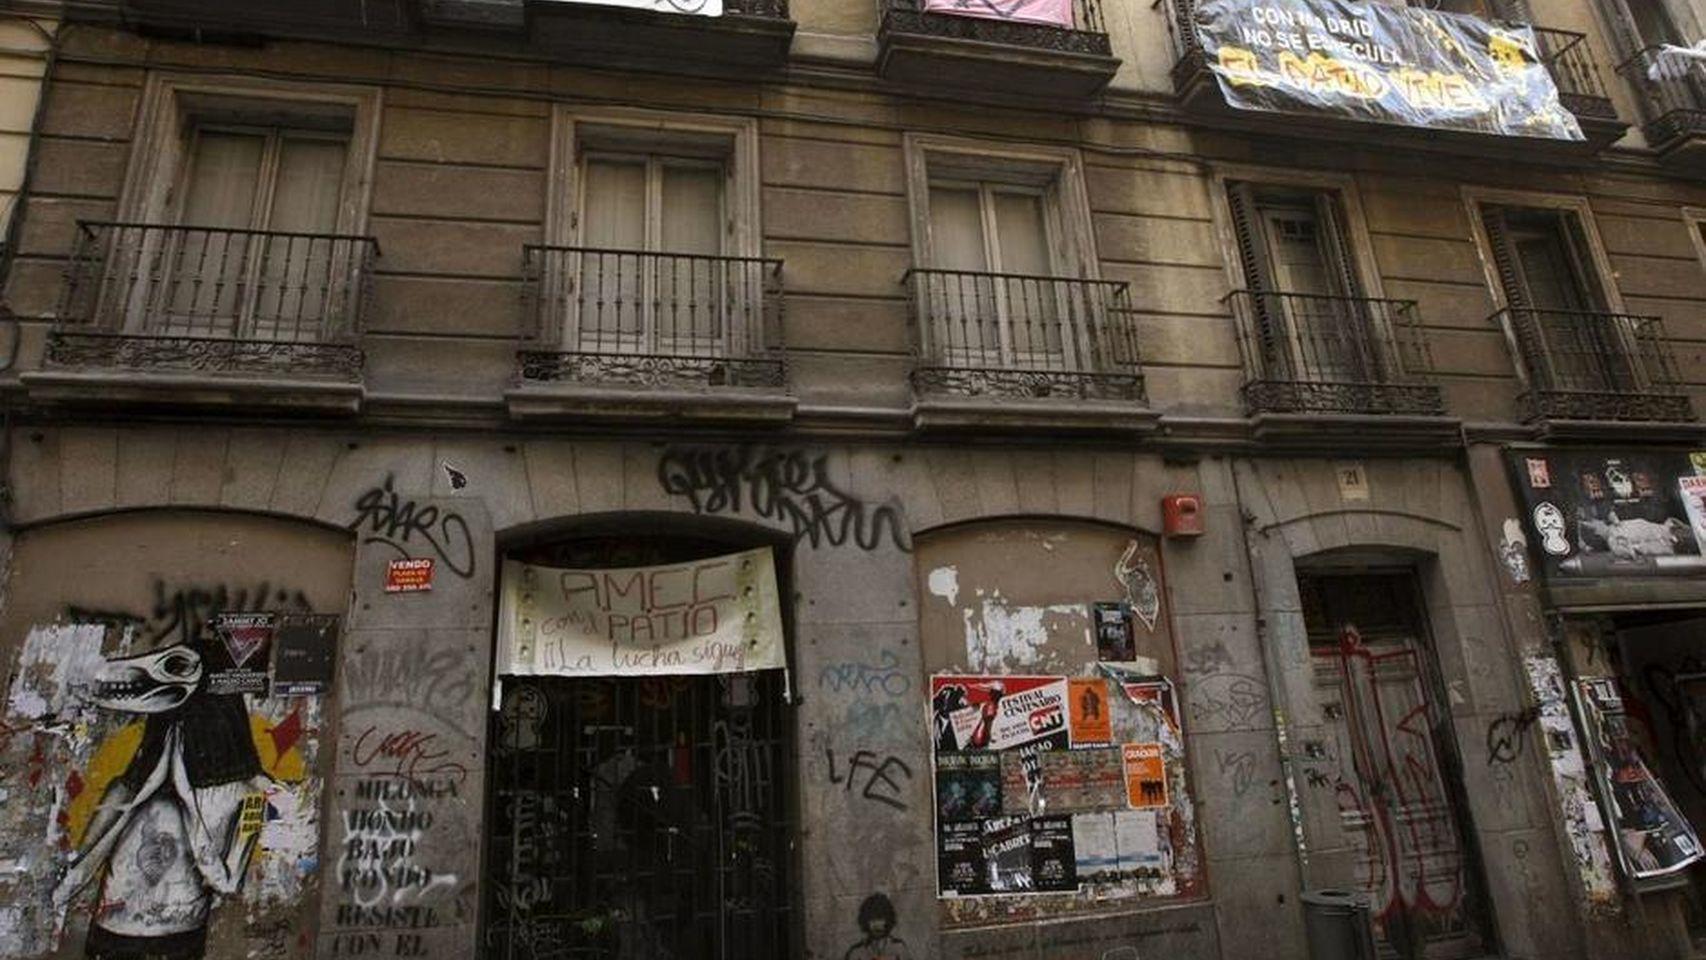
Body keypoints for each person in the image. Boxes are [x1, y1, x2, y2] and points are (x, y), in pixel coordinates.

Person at [844, 893, 915, 960]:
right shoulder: (857, 952)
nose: (877, 925)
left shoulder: (898, 948)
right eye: (872, 920)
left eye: (880, 919)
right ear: (865, 922)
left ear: (888, 919)